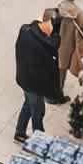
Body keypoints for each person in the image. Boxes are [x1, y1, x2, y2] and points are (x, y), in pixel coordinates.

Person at [13, 12, 60, 143]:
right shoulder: (41, 43)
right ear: (46, 22)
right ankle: (39, 141)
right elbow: (52, 46)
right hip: (34, 84)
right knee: (38, 112)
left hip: (24, 79)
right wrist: (55, 36)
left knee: (28, 104)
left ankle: (20, 132)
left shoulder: (25, 30)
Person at [55, 0, 83, 104]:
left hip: (56, 46)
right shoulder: (82, 15)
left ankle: (54, 94)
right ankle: (57, 95)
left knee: (57, 70)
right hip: (72, 50)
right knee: (64, 70)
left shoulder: (56, 11)